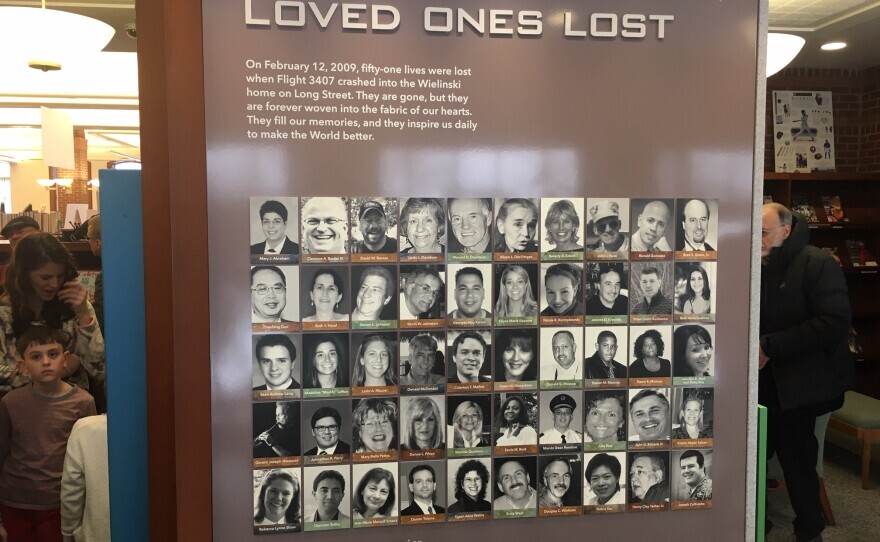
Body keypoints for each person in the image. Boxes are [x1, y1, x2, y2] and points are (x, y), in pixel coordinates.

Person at [759, 203, 853, 542]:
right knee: (753, 458)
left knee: (798, 463)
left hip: (802, 387)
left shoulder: (818, 263)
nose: (758, 239)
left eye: (765, 233)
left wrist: (770, 346)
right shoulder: (759, 265)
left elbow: (833, 323)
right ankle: (758, 524)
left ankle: (810, 530)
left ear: (787, 230)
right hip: (764, 385)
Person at [0, 326, 96, 542]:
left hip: (60, 505)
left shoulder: (83, 402)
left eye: (53, 354)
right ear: (23, 366)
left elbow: (89, 463)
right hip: (15, 503)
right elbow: (1, 453)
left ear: (65, 359)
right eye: (36, 356)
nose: (45, 362)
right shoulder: (11, 403)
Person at [0, 233, 105, 397]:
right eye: (46, 277)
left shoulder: (75, 305)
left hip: (71, 404)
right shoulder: (4, 311)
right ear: (25, 275)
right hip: (16, 406)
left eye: (60, 276)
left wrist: (83, 314)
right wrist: (60, 370)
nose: (55, 284)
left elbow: (99, 370)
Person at [60, 413, 109, 542]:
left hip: (98, 533)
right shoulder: (164, 428)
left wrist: (68, 531)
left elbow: (71, 489)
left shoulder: (86, 428)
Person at [85, 215, 104, 335]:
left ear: (98, 243)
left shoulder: (105, 278)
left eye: (88, 238)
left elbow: (100, 319)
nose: (88, 242)